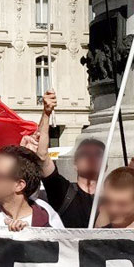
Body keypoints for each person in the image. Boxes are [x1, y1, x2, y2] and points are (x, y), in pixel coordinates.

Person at [36, 95, 101, 227]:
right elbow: (42, 156)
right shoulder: (63, 192)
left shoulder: (115, 197)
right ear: (75, 164)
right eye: (85, 154)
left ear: (105, 164)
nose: (91, 157)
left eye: (98, 154)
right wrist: (46, 114)